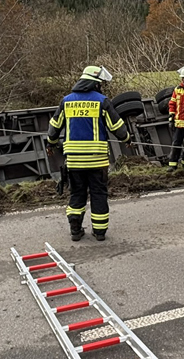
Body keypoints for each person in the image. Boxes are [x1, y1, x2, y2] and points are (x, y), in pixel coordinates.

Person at [46, 65, 132, 241]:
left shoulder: (66, 101)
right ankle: (99, 233)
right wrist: (127, 139)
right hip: (97, 162)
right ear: (95, 83)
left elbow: (54, 127)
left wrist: (51, 144)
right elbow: (117, 127)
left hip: (74, 162)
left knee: (77, 194)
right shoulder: (102, 101)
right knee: (98, 194)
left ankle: (75, 231)